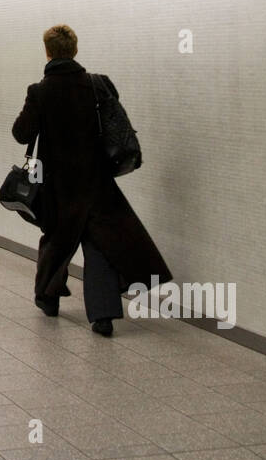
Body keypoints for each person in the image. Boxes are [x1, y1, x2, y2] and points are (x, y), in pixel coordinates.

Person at [11, 24, 172, 336]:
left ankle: (48, 297)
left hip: (58, 185)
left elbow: (21, 134)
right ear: (75, 50)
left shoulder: (40, 91)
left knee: (57, 241)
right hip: (97, 181)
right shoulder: (98, 84)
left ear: (47, 52)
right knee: (99, 245)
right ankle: (103, 316)